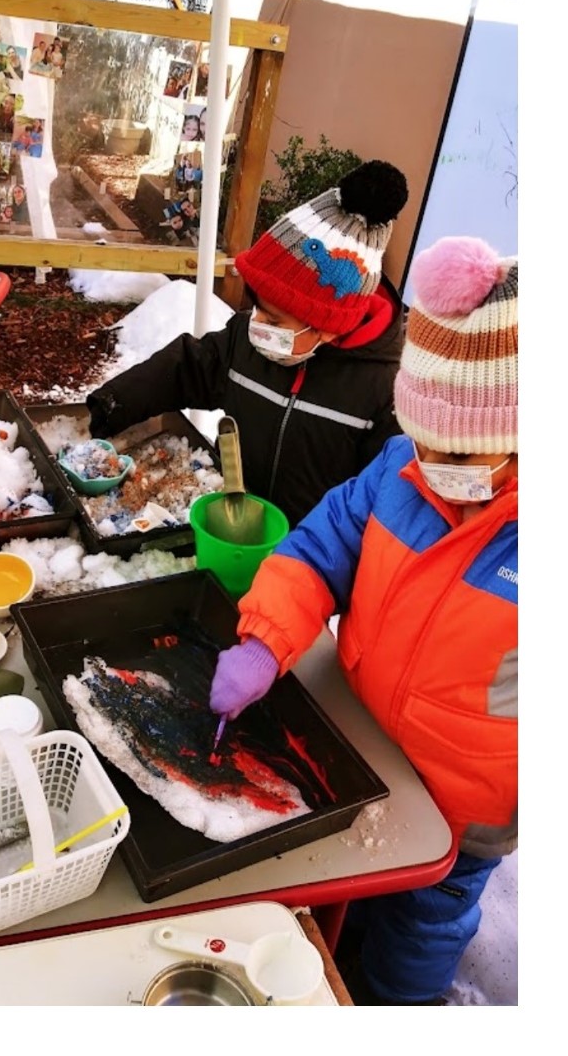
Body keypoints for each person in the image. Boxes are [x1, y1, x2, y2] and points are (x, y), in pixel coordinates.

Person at [212, 237, 517, 1004]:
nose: (433, 459)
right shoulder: (398, 471)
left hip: (465, 809)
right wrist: (262, 639)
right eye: (422, 435)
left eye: (460, 448)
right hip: (359, 752)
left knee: (417, 928)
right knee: (341, 903)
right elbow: (316, 550)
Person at [88, 161, 409, 527]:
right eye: (255, 307)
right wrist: (110, 405)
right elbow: (188, 368)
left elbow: (380, 503)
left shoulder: (384, 391)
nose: (257, 323)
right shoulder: (247, 340)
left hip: (308, 557)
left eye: (274, 320)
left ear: (328, 326)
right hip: (232, 526)